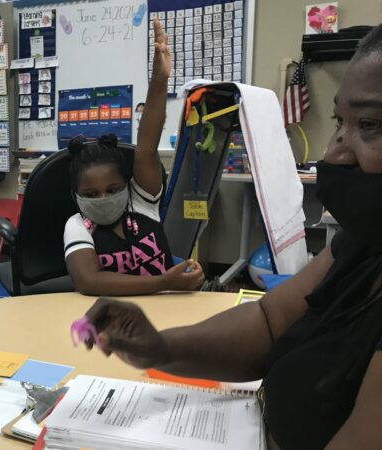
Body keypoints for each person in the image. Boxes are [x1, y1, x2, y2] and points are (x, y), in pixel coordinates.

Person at [82, 24, 382, 450]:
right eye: (340, 120)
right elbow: (270, 321)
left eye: (369, 124)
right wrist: (162, 347)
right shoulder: (361, 244)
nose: (333, 151)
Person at [63, 18, 204, 296]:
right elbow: (88, 282)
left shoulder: (141, 202)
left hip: (166, 309)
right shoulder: (78, 226)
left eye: (113, 190)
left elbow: (147, 147)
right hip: (112, 316)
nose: (103, 200)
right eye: (91, 194)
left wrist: (160, 79)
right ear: (76, 195)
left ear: (127, 185)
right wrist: (163, 283)